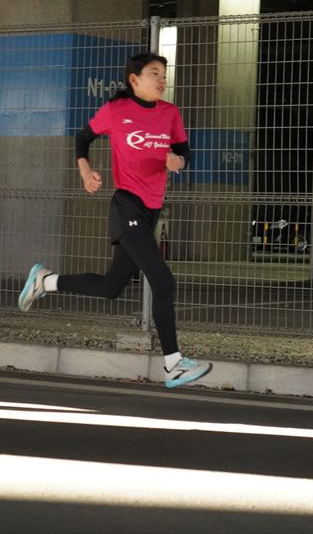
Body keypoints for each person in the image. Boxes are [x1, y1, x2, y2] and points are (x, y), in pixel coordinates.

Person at [18, 52, 212, 388]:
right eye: (154, 73)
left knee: (110, 288)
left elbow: (184, 152)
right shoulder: (116, 110)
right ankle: (174, 364)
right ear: (134, 80)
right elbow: (83, 137)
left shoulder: (170, 113)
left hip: (151, 209)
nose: (162, 79)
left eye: (164, 74)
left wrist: (179, 162)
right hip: (127, 206)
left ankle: (45, 281)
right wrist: (85, 171)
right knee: (163, 281)